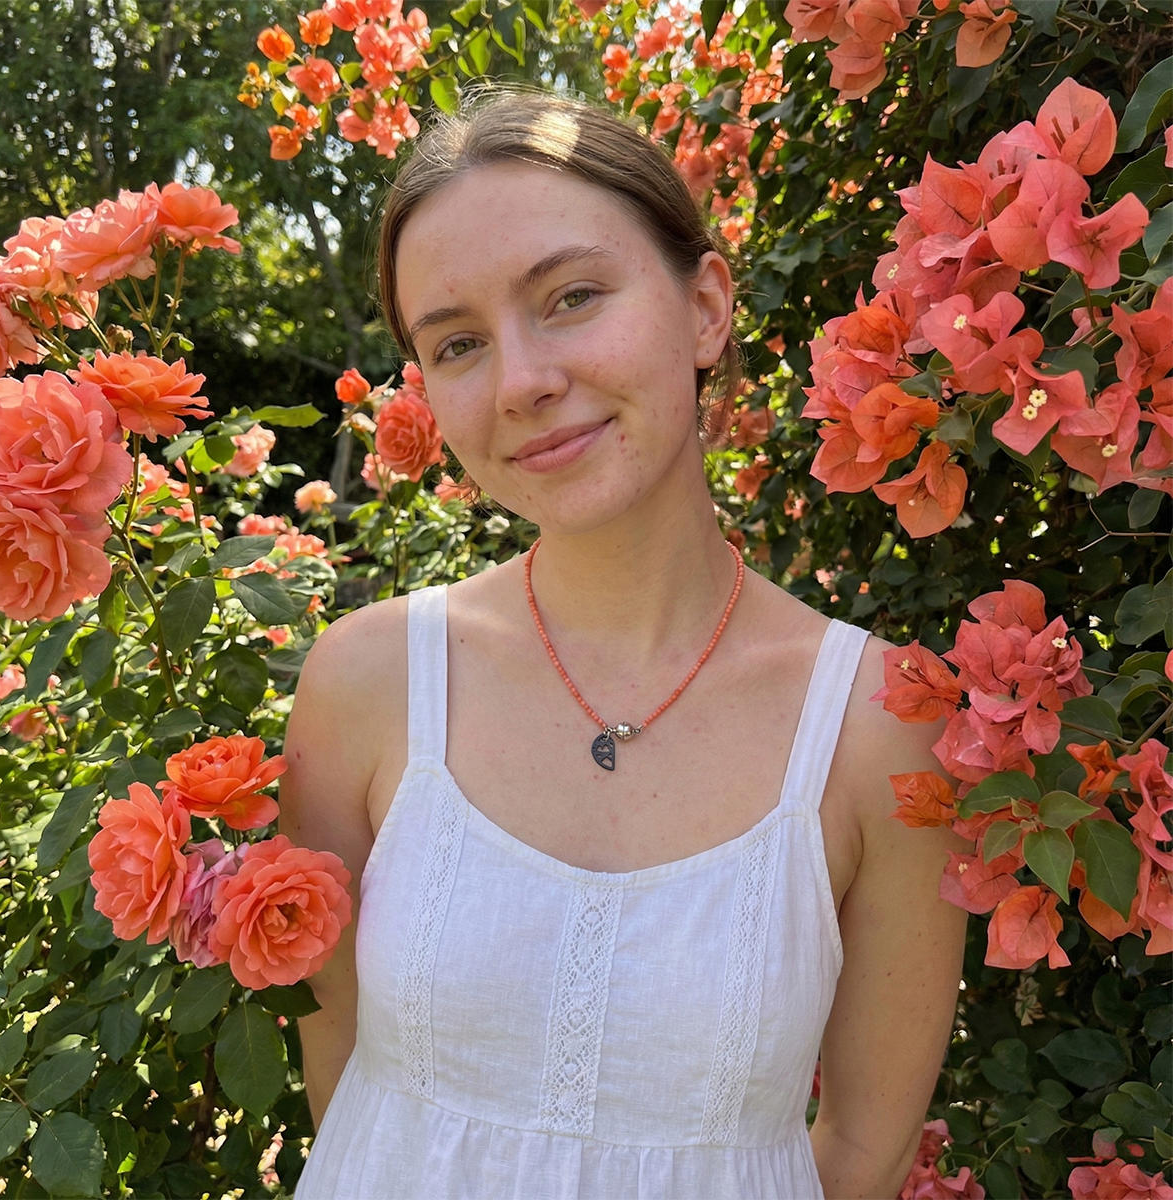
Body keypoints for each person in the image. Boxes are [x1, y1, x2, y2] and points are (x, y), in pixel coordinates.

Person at [281, 90, 967, 1200]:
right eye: (457, 343)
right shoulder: (366, 683)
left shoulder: (877, 730)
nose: (522, 382)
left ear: (705, 309)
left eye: (573, 296)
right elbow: (349, 1092)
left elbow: (862, 1153)